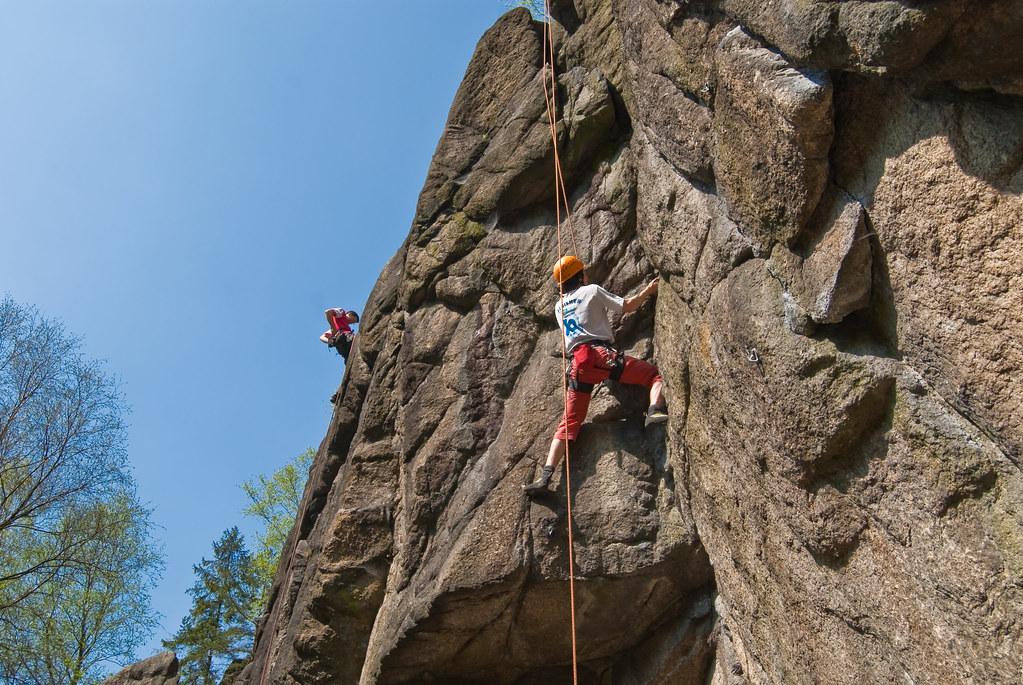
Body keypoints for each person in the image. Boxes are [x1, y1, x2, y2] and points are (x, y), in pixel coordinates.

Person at [524, 256, 667, 496]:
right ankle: (655, 409)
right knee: (653, 376)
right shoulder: (591, 290)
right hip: (600, 356)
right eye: (584, 273)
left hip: (578, 366)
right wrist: (649, 290)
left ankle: (545, 477)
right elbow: (628, 305)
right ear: (579, 276)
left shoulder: (558, 307)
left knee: (569, 423)